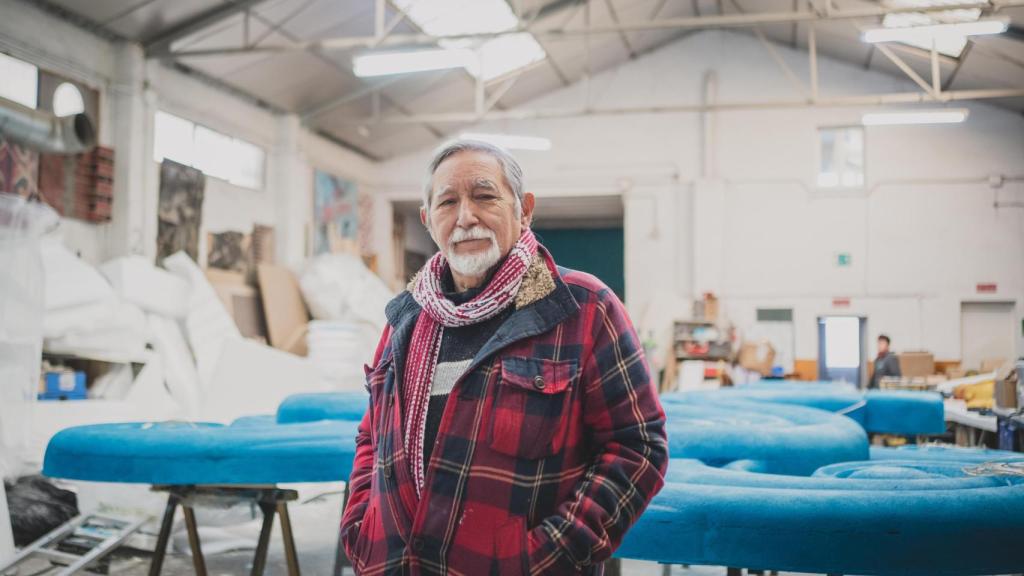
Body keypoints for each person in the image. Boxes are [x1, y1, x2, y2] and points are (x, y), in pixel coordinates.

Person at [341, 139, 668, 575]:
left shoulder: (584, 307)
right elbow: (372, 436)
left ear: (524, 208)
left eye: (484, 196)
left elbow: (637, 446)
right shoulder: (407, 317)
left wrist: (549, 554)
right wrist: (360, 523)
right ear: (427, 219)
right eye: (448, 202)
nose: (465, 217)